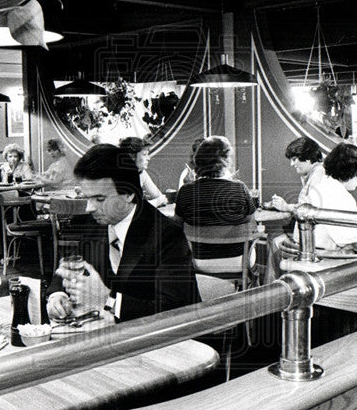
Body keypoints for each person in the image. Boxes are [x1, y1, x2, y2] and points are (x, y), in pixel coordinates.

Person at [46, 144, 200, 323]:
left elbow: (174, 312)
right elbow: (71, 265)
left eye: (100, 198)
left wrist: (106, 298)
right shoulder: (98, 221)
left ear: (128, 194)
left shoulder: (167, 235)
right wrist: (57, 295)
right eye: (87, 197)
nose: (89, 207)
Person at [174, 135, 257, 271]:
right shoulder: (240, 188)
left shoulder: (186, 191)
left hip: (199, 261)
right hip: (238, 260)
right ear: (226, 161)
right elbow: (251, 222)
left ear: (198, 161)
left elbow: (177, 224)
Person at [269, 136, 327, 213]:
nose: (291, 164)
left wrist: (286, 207)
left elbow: (310, 211)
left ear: (307, 158)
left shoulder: (319, 174)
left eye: (294, 159)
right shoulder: (316, 172)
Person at [119, 136, 168, 207]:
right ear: (132, 156)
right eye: (144, 154)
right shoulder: (120, 176)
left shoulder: (141, 173)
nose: (149, 158)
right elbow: (131, 208)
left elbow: (159, 197)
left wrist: (159, 200)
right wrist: (157, 202)